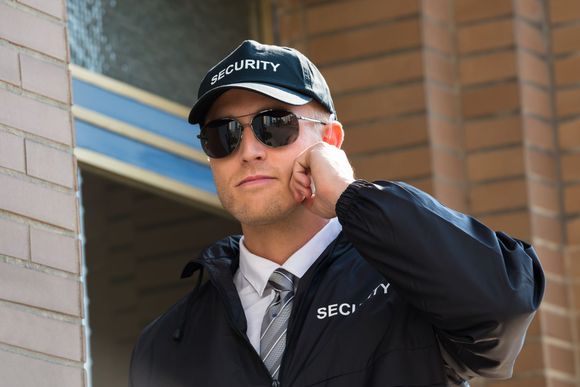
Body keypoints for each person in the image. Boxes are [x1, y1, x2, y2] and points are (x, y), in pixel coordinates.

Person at [129, 40, 544, 387]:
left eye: (274, 125)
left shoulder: (407, 281)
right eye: (225, 135)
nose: (249, 150)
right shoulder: (168, 342)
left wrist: (351, 196)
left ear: (330, 139)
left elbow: (503, 306)